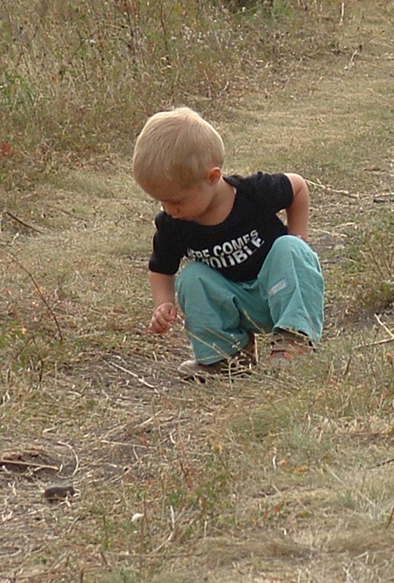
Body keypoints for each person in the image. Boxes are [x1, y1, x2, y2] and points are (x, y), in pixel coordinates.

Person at [132, 106, 324, 379]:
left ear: (212, 177)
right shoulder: (173, 224)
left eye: (176, 200)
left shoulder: (254, 193)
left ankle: (294, 339)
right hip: (234, 302)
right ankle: (227, 356)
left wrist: (299, 239)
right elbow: (161, 268)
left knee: (289, 248)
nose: (168, 208)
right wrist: (163, 303)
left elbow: (298, 187)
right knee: (192, 277)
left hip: (278, 288)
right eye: (160, 201)